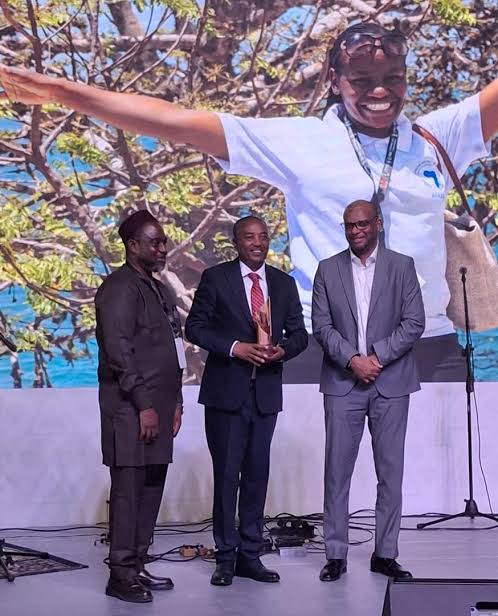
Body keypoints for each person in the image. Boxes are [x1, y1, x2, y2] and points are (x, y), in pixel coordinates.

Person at [1, 21, 495, 382]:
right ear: (334, 80)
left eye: (393, 77)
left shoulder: (436, 137)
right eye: (361, 80)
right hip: (327, 347)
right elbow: (174, 122)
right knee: (321, 487)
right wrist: (62, 92)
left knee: (437, 487)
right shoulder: (300, 141)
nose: (381, 91)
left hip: (427, 344)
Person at [185, 215, 307, 586]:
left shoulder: (284, 284)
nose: (258, 243)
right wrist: (236, 347)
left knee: (256, 477)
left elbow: (300, 335)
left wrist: (282, 350)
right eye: (249, 237)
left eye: (263, 236)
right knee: (227, 477)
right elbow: (195, 327)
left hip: (265, 394)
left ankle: (250, 556)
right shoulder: (216, 278)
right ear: (236, 242)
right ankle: (225, 557)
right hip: (226, 395)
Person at [312, 199, 424, 582]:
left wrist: (376, 357)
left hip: (391, 382)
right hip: (343, 383)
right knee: (336, 473)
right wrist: (352, 361)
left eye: (362, 224)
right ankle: (335, 555)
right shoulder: (327, 269)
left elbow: (414, 322)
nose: (356, 231)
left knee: (390, 474)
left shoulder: (402, 266)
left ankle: (385, 554)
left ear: (377, 224)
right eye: (349, 226)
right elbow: (322, 326)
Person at [95, 210, 184, 603]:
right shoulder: (118, 288)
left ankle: (138, 564)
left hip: (160, 409)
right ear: (132, 246)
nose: (162, 248)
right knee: (129, 491)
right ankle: (120, 573)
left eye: (163, 241)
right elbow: (119, 353)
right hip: (131, 409)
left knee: (151, 488)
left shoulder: (159, 289)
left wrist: (176, 402)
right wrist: (145, 405)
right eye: (154, 242)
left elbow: (174, 349)